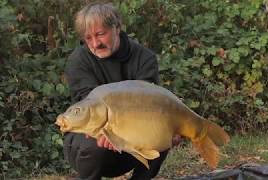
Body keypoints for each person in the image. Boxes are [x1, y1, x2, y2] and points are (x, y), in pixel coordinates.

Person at [63, 2, 180, 180]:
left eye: (101, 34)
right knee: (94, 143)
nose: (95, 43)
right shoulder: (78, 60)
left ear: (117, 27)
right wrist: (107, 131)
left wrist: (171, 129)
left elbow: (150, 104)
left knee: (161, 134)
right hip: (92, 136)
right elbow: (88, 107)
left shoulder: (144, 58)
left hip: (133, 134)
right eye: (88, 38)